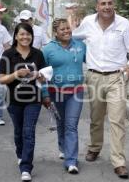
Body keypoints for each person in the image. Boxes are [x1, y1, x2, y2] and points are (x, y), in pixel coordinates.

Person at [73, 0, 129, 179]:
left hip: (116, 77)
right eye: (103, 4)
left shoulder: (123, 24)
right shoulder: (87, 22)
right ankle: (95, 147)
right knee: (96, 117)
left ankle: (118, 162)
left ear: (114, 5)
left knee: (117, 120)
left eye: (110, 3)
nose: (107, 7)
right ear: (97, 6)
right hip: (94, 76)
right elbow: (74, 38)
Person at [0, 23, 46, 182]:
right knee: (19, 131)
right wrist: (16, 74)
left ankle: (26, 167)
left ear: (32, 36)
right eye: (22, 34)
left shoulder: (38, 54)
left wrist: (39, 75)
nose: (25, 37)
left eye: (28, 34)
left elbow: (45, 77)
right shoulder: (8, 54)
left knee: (28, 131)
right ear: (16, 36)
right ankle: (20, 154)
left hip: (34, 99)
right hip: (14, 100)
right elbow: (1, 79)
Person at [41, 18, 86, 174]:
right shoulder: (48, 50)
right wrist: (45, 94)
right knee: (61, 123)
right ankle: (63, 147)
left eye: (68, 28)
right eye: (62, 29)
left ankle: (71, 160)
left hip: (76, 92)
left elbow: (93, 62)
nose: (67, 31)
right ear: (55, 32)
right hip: (55, 93)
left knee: (71, 126)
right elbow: (41, 75)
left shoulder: (80, 46)